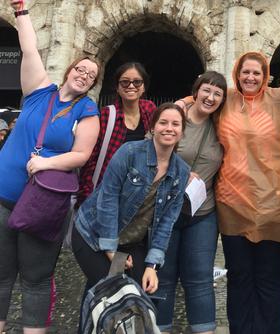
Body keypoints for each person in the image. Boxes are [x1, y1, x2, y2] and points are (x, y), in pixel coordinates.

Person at [177, 52, 280, 334]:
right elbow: (202, 97)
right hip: (232, 201)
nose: (250, 78)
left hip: (274, 202)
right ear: (237, 74)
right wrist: (182, 102)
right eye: (245, 72)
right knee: (239, 276)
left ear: (266, 76)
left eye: (256, 73)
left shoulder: (278, 98)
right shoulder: (227, 99)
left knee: (270, 277)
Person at [0, 1, 100, 332]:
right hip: (2, 200)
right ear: (69, 70)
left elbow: (82, 155)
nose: (84, 76)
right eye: (80, 69)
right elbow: (29, 49)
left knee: (36, 280)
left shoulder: (87, 111)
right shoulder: (39, 91)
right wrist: (21, 10)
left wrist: (45, 163)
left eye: (91, 75)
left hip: (42, 206)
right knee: (0, 276)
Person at [72, 102, 190, 300]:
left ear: (182, 131)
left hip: (130, 242)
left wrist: (152, 265)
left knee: (135, 293)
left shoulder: (181, 172)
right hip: (93, 233)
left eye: (175, 124)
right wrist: (111, 250)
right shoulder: (129, 153)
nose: (169, 128)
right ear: (153, 127)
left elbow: (166, 223)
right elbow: (107, 200)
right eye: (163, 123)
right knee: (114, 292)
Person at [154, 71, 226, 334]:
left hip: (202, 212)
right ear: (195, 92)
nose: (210, 97)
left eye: (218, 94)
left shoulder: (223, 124)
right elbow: (151, 150)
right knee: (163, 277)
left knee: (200, 280)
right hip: (166, 211)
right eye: (206, 90)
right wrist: (179, 171)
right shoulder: (176, 117)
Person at [77, 62, 156, 207]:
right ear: (118, 88)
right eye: (125, 82)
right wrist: (87, 195)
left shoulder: (149, 109)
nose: (131, 86)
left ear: (143, 86)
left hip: (137, 193)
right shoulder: (106, 114)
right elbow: (91, 159)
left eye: (137, 82)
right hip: (107, 192)